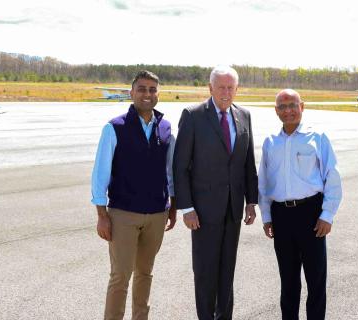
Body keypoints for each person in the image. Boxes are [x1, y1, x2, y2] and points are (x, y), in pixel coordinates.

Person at [173, 65, 258, 320]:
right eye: (221, 87)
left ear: (237, 89)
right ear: (210, 88)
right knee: (206, 271)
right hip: (203, 211)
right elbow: (180, 166)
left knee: (227, 272)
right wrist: (186, 208)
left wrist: (251, 201)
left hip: (233, 211)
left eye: (230, 87)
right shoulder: (193, 115)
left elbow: (247, 163)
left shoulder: (244, 115)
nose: (226, 92)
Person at [91, 70, 177, 320]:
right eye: (142, 89)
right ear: (132, 93)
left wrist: (172, 205)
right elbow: (100, 174)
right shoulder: (114, 127)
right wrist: (101, 214)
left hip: (157, 214)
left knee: (145, 274)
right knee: (120, 277)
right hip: (123, 214)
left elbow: (169, 171)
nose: (147, 94)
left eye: (152, 89)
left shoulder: (166, 127)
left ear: (158, 94)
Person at [258, 89, 342, 320]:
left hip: (311, 214)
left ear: (302, 107)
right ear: (276, 112)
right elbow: (264, 182)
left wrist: (327, 214)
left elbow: (332, 176)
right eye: (282, 107)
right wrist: (266, 217)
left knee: (316, 280)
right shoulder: (270, 143)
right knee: (288, 280)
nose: (288, 111)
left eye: (292, 105)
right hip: (281, 217)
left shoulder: (317, 138)